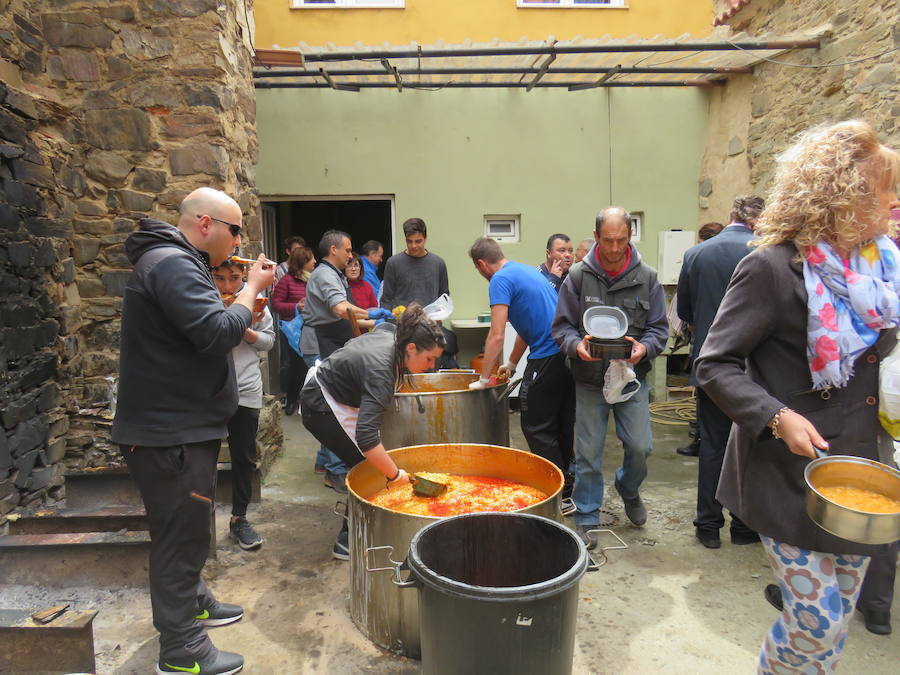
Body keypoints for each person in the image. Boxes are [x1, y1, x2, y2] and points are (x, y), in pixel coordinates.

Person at [694, 120, 900, 670]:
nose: (893, 200)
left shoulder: (881, 268)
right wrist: (775, 415)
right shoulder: (770, 268)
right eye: (884, 189)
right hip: (786, 475)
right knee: (817, 624)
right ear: (845, 193)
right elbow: (714, 363)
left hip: (860, 476)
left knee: (833, 632)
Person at [112, 187, 275, 675]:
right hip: (170, 434)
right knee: (179, 537)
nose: (239, 240)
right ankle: (182, 648)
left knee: (188, 529)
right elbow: (216, 335)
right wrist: (248, 293)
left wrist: (242, 309)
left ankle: (196, 600)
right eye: (235, 229)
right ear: (205, 225)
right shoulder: (174, 265)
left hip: (181, 428)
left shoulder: (178, 263)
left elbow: (206, 330)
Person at [552, 207, 668, 546]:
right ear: (597, 235)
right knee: (588, 451)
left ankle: (628, 488)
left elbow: (660, 329)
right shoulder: (577, 276)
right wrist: (575, 346)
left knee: (640, 446)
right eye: (607, 240)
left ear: (629, 236)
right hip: (589, 379)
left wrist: (644, 348)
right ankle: (588, 514)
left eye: (620, 240)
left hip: (630, 378)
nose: (614, 248)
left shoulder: (647, 278)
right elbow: (561, 327)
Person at [300, 305, 446, 559]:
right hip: (321, 405)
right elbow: (366, 438)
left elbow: (382, 327)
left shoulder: (394, 334)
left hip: (336, 393)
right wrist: (395, 474)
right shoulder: (382, 371)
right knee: (367, 469)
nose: (431, 366)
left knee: (374, 462)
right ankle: (347, 542)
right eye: (429, 359)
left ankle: (363, 530)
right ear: (411, 348)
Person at [677, 197, 764, 548]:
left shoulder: (697, 255)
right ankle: (744, 527)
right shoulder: (765, 253)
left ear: (731, 216)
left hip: (711, 365)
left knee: (712, 445)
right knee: (750, 449)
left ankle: (708, 526)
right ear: (758, 220)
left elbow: (684, 310)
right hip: (754, 369)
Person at [468, 237, 576, 508]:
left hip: (547, 357)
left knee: (537, 425)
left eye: (478, 270)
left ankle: (556, 494)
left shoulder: (500, 280)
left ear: (481, 264)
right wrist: (513, 364)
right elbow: (528, 326)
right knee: (561, 423)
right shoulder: (525, 270)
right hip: (567, 353)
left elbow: (496, 334)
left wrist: (484, 379)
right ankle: (568, 488)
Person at [302, 230, 393, 492]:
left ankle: (328, 463)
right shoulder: (325, 274)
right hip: (329, 339)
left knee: (340, 403)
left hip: (340, 335)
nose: (351, 255)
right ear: (334, 250)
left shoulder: (335, 274)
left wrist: (377, 321)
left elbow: (351, 316)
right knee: (334, 403)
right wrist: (372, 313)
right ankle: (335, 470)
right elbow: (342, 309)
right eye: (348, 249)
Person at [212, 259, 275, 552]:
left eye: (234, 278)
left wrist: (247, 332)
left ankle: (240, 518)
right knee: (202, 456)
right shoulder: (202, 298)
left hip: (245, 388)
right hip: (208, 391)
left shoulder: (256, 301)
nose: (227, 286)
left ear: (244, 278)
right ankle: (199, 518)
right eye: (220, 278)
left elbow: (269, 342)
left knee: (244, 457)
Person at [674, 221, 725, 458]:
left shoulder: (695, 256)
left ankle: (701, 440)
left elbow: (683, 307)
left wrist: (693, 325)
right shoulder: (752, 253)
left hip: (705, 337)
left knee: (705, 399)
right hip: (739, 341)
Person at [271, 246, 317, 416]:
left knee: (310, 367)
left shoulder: (314, 279)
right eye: (311, 259)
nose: (315, 262)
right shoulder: (287, 280)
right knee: (295, 367)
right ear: (302, 262)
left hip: (312, 329)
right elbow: (276, 304)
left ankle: (305, 403)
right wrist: (296, 306)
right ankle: (291, 400)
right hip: (294, 331)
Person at [380, 218, 449, 310]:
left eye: (418, 241)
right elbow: (386, 300)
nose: (413, 246)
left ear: (425, 238)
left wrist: (439, 316)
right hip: (401, 322)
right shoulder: (393, 263)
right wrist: (388, 320)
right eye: (409, 241)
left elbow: (444, 298)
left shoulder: (438, 263)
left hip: (430, 322)